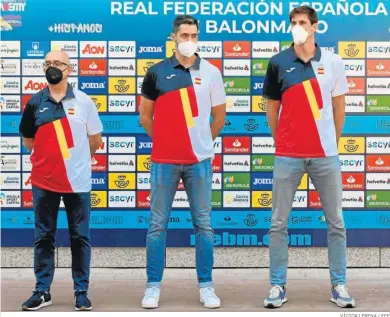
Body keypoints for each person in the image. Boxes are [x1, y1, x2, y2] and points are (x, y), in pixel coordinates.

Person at [262, 6, 356, 309]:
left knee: (336, 223)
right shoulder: (278, 62)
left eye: (303, 23)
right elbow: (272, 109)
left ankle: (339, 285)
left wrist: (332, 142)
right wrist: (283, 142)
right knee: (278, 224)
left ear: (315, 27)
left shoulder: (333, 61)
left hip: (325, 155)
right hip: (288, 155)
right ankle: (277, 286)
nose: (297, 27)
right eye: (293, 23)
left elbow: (339, 108)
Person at [139, 15, 226, 309]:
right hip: (164, 161)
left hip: (199, 162)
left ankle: (206, 286)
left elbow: (220, 117)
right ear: (173, 37)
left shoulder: (212, 72)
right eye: (184, 35)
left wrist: (201, 142)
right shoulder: (156, 72)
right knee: (156, 226)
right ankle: (152, 287)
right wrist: (164, 140)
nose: (189, 40)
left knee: (203, 225)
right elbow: (146, 117)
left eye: (194, 35)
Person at [19, 50, 103, 311]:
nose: (52, 67)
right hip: (44, 182)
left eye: (58, 63)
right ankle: (42, 290)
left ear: (70, 69)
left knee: (80, 237)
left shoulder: (84, 102)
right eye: (48, 63)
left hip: (77, 183)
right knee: (44, 237)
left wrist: (76, 162)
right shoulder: (34, 103)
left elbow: (95, 139)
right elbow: (28, 141)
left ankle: (81, 291)